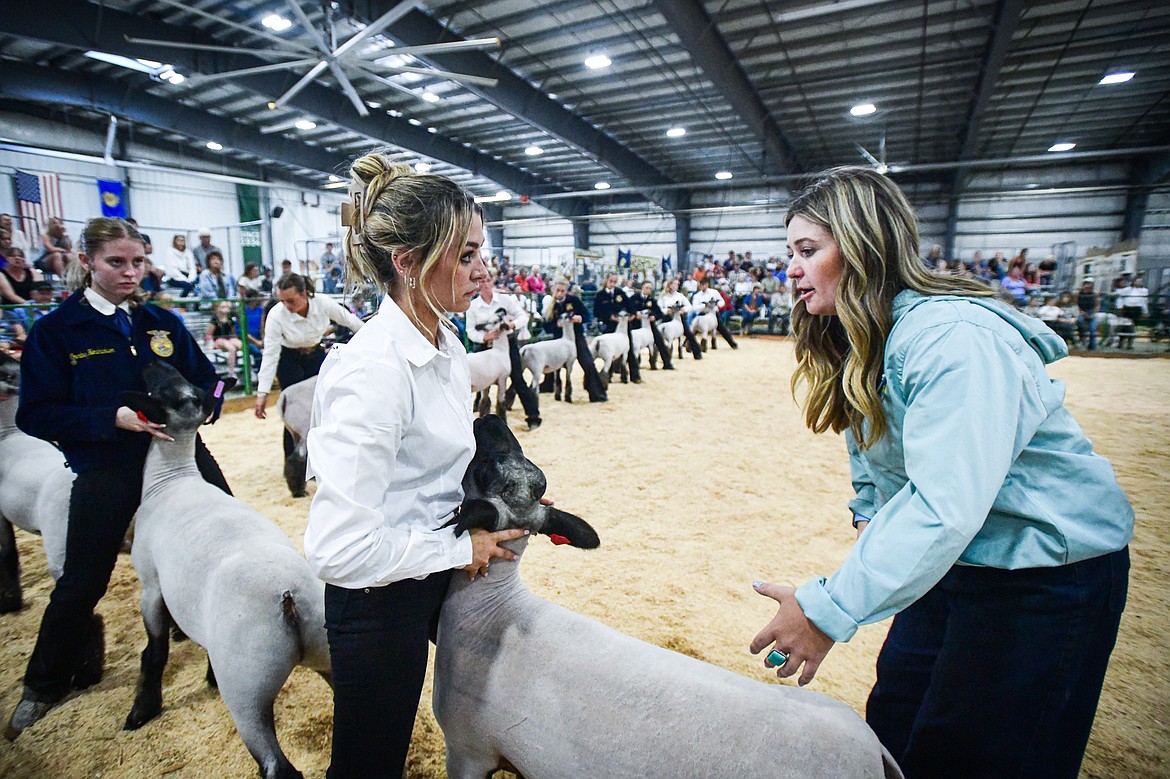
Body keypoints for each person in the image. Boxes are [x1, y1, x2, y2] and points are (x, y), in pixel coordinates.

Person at [749, 167, 1132, 779]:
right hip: (957, 564)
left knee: (985, 755)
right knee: (899, 724)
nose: (790, 269)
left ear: (862, 245)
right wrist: (870, 516)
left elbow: (945, 501)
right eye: (790, 253)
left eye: (807, 250)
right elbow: (877, 461)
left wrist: (826, 609)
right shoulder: (863, 341)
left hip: (1044, 577)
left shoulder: (951, 338)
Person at [303, 154, 528, 779]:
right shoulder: (374, 372)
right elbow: (338, 549)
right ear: (406, 262)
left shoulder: (447, 343)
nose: (482, 272)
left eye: (481, 251)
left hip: (434, 568)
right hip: (377, 599)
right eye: (465, 255)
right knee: (369, 762)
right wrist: (458, 550)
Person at [5, 217, 232, 739]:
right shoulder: (57, 331)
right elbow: (34, 414)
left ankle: (223, 651)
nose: (131, 272)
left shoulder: (160, 322)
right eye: (117, 263)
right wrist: (109, 419)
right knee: (82, 579)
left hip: (181, 458)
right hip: (108, 465)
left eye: (137, 262)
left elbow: (211, 381)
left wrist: (208, 407)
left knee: (226, 541)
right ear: (87, 262)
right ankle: (42, 685)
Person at [253, 273, 364, 467]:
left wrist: (374, 338)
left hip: (316, 357)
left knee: (324, 408)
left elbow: (351, 321)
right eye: (283, 301)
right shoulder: (276, 315)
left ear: (304, 293)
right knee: (294, 415)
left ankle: (322, 461)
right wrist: (262, 392)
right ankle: (294, 465)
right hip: (289, 361)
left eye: (291, 300)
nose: (287, 305)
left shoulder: (322, 302)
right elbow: (270, 354)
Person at [465, 272, 542, 430]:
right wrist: (485, 336)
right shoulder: (473, 306)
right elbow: (470, 331)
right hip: (486, 346)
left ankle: (533, 416)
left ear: (492, 281)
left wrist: (512, 325)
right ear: (477, 284)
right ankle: (483, 419)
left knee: (517, 379)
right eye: (481, 281)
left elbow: (523, 316)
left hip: (506, 345)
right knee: (482, 383)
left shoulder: (505, 300)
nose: (485, 284)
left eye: (488, 280)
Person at [547, 277, 607, 402]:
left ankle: (597, 393)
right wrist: (556, 324)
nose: (560, 293)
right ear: (553, 289)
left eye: (563, 291)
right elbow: (546, 325)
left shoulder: (573, 300)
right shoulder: (550, 304)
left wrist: (579, 318)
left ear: (566, 290)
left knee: (588, 362)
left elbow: (587, 315)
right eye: (558, 290)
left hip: (577, 335)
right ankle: (553, 389)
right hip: (559, 339)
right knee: (553, 365)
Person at [628, 279, 674, 370]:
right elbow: (629, 308)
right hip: (635, 323)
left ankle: (667, 363)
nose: (648, 290)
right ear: (642, 288)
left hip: (649, 324)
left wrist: (654, 317)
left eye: (650, 288)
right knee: (628, 341)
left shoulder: (652, 300)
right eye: (646, 288)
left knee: (659, 340)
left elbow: (659, 313)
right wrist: (635, 313)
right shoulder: (634, 298)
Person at [205, 300, 243, 374]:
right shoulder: (215, 320)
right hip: (218, 339)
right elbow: (208, 334)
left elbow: (233, 333)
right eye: (223, 307)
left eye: (226, 307)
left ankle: (246, 368)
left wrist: (236, 340)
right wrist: (210, 343)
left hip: (228, 338)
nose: (226, 309)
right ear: (217, 308)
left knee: (242, 345)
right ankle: (231, 371)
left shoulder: (229, 319)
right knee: (231, 348)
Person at [1076, 278, 1100, 350]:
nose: (1087, 285)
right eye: (1086, 284)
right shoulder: (1079, 293)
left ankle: (1092, 346)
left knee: (1093, 329)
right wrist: (1082, 312)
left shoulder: (1095, 294)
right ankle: (1081, 340)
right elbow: (1077, 304)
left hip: (1091, 311)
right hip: (1082, 311)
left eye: (1089, 284)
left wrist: (1094, 313)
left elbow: (1097, 304)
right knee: (1079, 322)